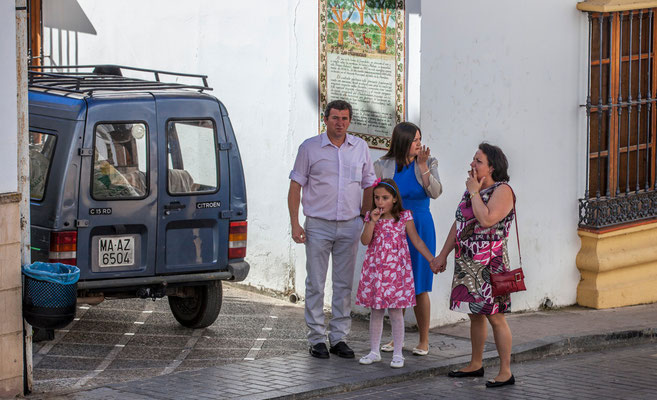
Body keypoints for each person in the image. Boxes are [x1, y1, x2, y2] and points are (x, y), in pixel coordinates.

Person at [288, 100, 376, 359]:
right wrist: (295, 223)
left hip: (350, 224)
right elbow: (295, 187)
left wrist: (364, 217)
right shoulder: (309, 148)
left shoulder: (360, 147)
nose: (340, 123)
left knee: (343, 284)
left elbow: (369, 184)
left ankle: (339, 337)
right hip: (318, 225)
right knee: (315, 282)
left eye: (345, 118)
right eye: (335, 118)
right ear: (325, 119)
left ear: (350, 121)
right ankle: (316, 338)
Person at [432, 142, 516, 388]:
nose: (472, 164)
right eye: (473, 159)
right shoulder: (473, 189)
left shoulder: (503, 190)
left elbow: (487, 218)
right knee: (475, 315)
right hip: (468, 261)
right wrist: (442, 255)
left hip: (491, 263)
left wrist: (474, 193)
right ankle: (475, 363)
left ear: (491, 167)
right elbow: (459, 224)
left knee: (496, 317)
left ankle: (505, 371)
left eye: (478, 161)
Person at [373, 122, 442, 356]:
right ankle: (397, 338)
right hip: (394, 227)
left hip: (421, 225)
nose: (419, 143)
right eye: (414, 140)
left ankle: (424, 340)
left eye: (420, 138)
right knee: (396, 283)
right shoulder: (383, 165)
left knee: (420, 286)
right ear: (403, 141)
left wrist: (422, 167)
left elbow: (435, 192)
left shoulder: (430, 163)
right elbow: (377, 197)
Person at [356, 179, 438, 368]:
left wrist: (431, 259)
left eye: (384, 198)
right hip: (376, 272)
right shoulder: (372, 217)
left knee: (395, 312)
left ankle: (398, 353)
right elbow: (365, 240)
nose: (379, 202)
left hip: (396, 273)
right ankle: (374, 351)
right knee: (376, 311)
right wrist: (372, 222)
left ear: (394, 199)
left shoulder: (404, 217)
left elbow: (416, 241)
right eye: (376, 198)